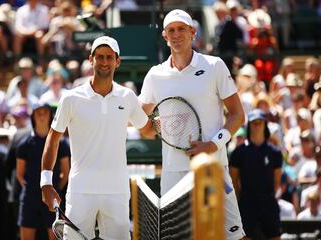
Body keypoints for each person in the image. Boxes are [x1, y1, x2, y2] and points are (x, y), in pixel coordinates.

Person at [138, 9, 245, 240]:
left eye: (181, 29)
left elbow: (237, 115)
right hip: (173, 172)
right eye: (171, 30)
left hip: (212, 168)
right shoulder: (155, 76)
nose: (176, 35)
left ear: (193, 32)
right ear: (165, 36)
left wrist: (212, 145)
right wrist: (153, 126)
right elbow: (145, 130)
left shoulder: (214, 65)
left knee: (233, 237)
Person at [40, 36, 150, 239]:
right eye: (100, 57)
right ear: (91, 60)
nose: (104, 62)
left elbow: (148, 130)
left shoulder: (127, 97)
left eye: (109, 57)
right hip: (81, 191)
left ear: (118, 61)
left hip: (116, 192)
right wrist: (45, 181)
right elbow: (53, 138)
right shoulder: (71, 98)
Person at [16, 103, 70, 240]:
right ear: (33, 116)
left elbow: (66, 172)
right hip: (29, 199)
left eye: (45, 112)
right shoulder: (24, 144)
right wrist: (31, 189)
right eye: (38, 112)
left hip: (54, 200)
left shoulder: (62, 144)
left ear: (50, 116)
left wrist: (55, 189)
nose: (41, 116)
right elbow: (19, 175)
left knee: (55, 237)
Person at [230, 109, 283, 240]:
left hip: (268, 202)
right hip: (247, 203)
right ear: (249, 125)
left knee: (275, 236)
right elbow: (234, 182)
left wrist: (267, 196)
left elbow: (277, 181)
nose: (257, 125)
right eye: (254, 122)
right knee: (242, 237)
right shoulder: (239, 152)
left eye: (260, 122)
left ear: (265, 124)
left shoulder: (275, 152)